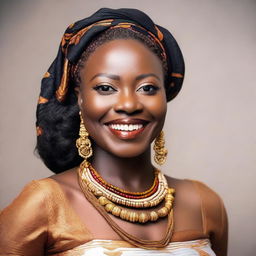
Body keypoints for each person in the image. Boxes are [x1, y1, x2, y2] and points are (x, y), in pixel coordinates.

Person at [0, 8, 228, 256]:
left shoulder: (205, 204)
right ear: (80, 99)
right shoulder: (43, 205)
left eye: (148, 88)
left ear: (165, 95)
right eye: (106, 87)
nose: (129, 105)